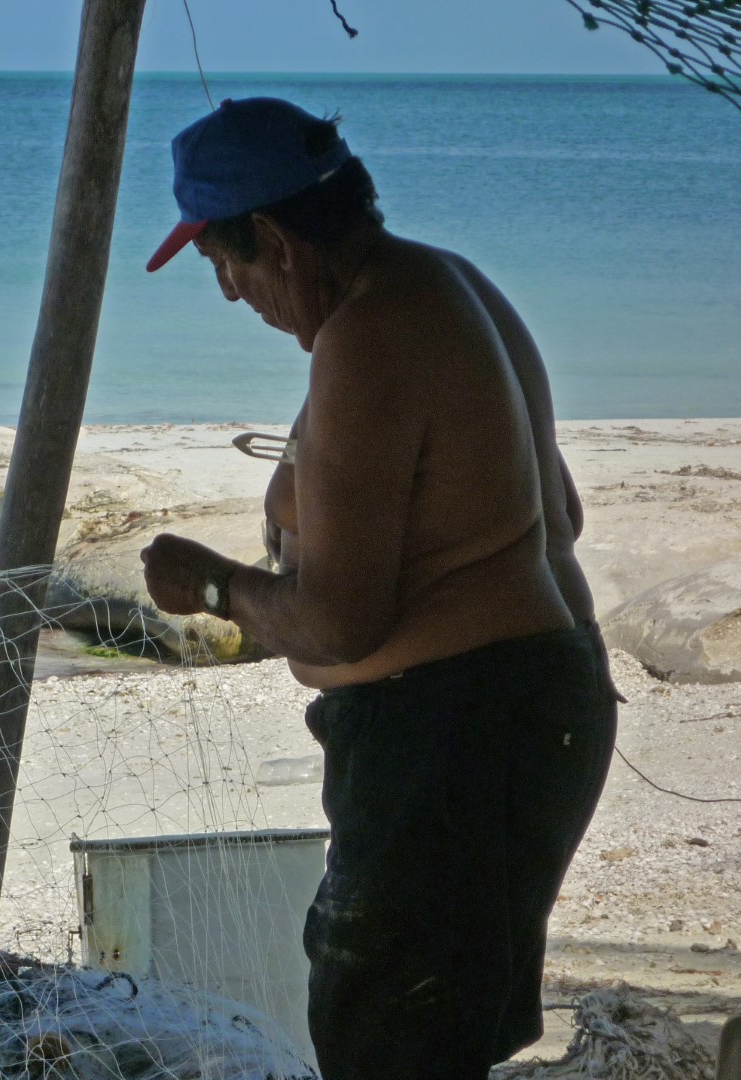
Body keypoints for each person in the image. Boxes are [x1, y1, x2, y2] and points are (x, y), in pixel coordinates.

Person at [140, 97, 619, 1079]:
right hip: (535, 713)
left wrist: (218, 588)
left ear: (272, 239)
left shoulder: (369, 333)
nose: (233, 296)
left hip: (456, 739)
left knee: (384, 1037)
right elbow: (554, 515)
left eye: (225, 266)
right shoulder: (453, 283)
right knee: (437, 1036)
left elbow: (341, 625)